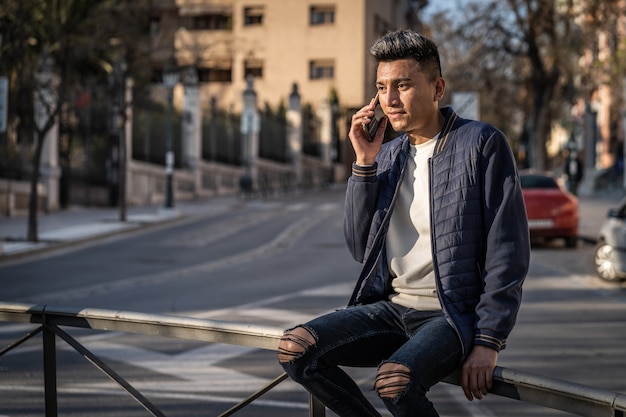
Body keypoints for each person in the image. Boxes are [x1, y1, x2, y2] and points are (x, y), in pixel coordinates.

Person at [277, 29, 529, 417]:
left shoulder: (481, 143)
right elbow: (360, 247)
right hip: (391, 310)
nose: (389, 100)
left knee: (394, 382)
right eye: (381, 87)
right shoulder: (388, 156)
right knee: (296, 348)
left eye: (403, 85)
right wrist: (363, 164)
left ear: (437, 87)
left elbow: (507, 251)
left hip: (450, 317)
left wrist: (489, 340)